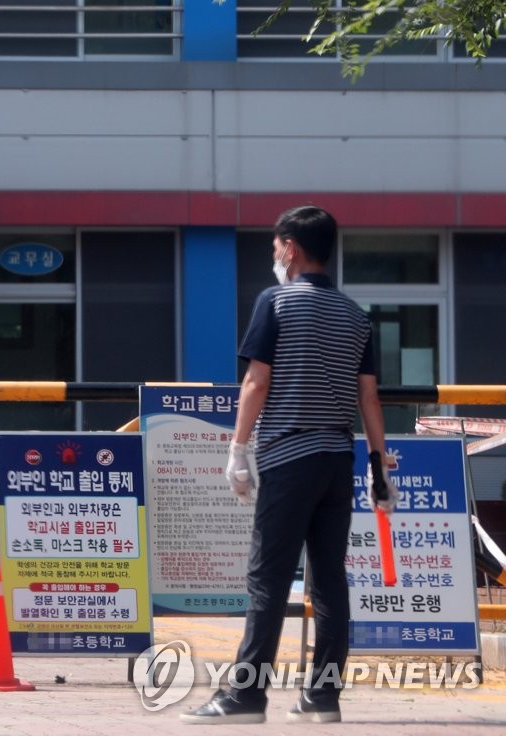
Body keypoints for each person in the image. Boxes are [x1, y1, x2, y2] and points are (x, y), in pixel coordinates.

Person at [181, 206, 396, 725]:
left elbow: (256, 382)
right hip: (337, 459)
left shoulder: (275, 301)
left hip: (289, 455)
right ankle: (323, 698)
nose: (274, 256)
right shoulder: (355, 314)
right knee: (329, 582)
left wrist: (237, 449)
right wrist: (378, 466)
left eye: (277, 247)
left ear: (291, 248)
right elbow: (369, 398)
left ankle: (244, 697)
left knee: (268, 579)